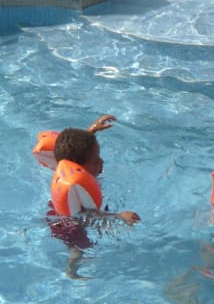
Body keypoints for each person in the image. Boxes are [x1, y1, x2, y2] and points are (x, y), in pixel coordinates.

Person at [33, 116, 140, 275]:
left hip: (54, 209)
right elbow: (89, 215)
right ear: (80, 167)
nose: (101, 161)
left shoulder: (67, 169)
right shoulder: (76, 185)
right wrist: (119, 216)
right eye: (96, 160)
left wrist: (92, 130)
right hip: (68, 225)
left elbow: (73, 151)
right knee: (80, 248)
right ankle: (71, 271)